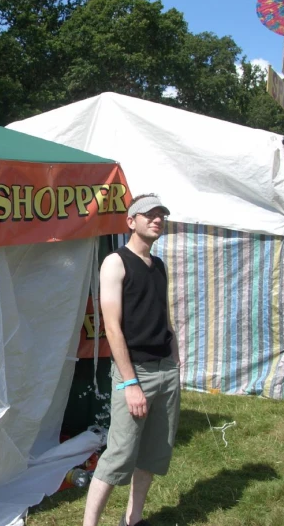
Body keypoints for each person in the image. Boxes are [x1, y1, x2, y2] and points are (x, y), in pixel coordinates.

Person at [82, 194, 181, 526]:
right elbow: (111, 326)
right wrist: (130, 383)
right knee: (118, 456)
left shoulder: (159, 264)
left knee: (153, 454)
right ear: (131, 222)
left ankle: (133, 519)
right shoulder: (116, 262)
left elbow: (163, 316)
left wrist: (175, 360)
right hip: (135, 373)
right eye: (149, 214)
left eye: (160, 215)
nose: (156, 219)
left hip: (165, 370)